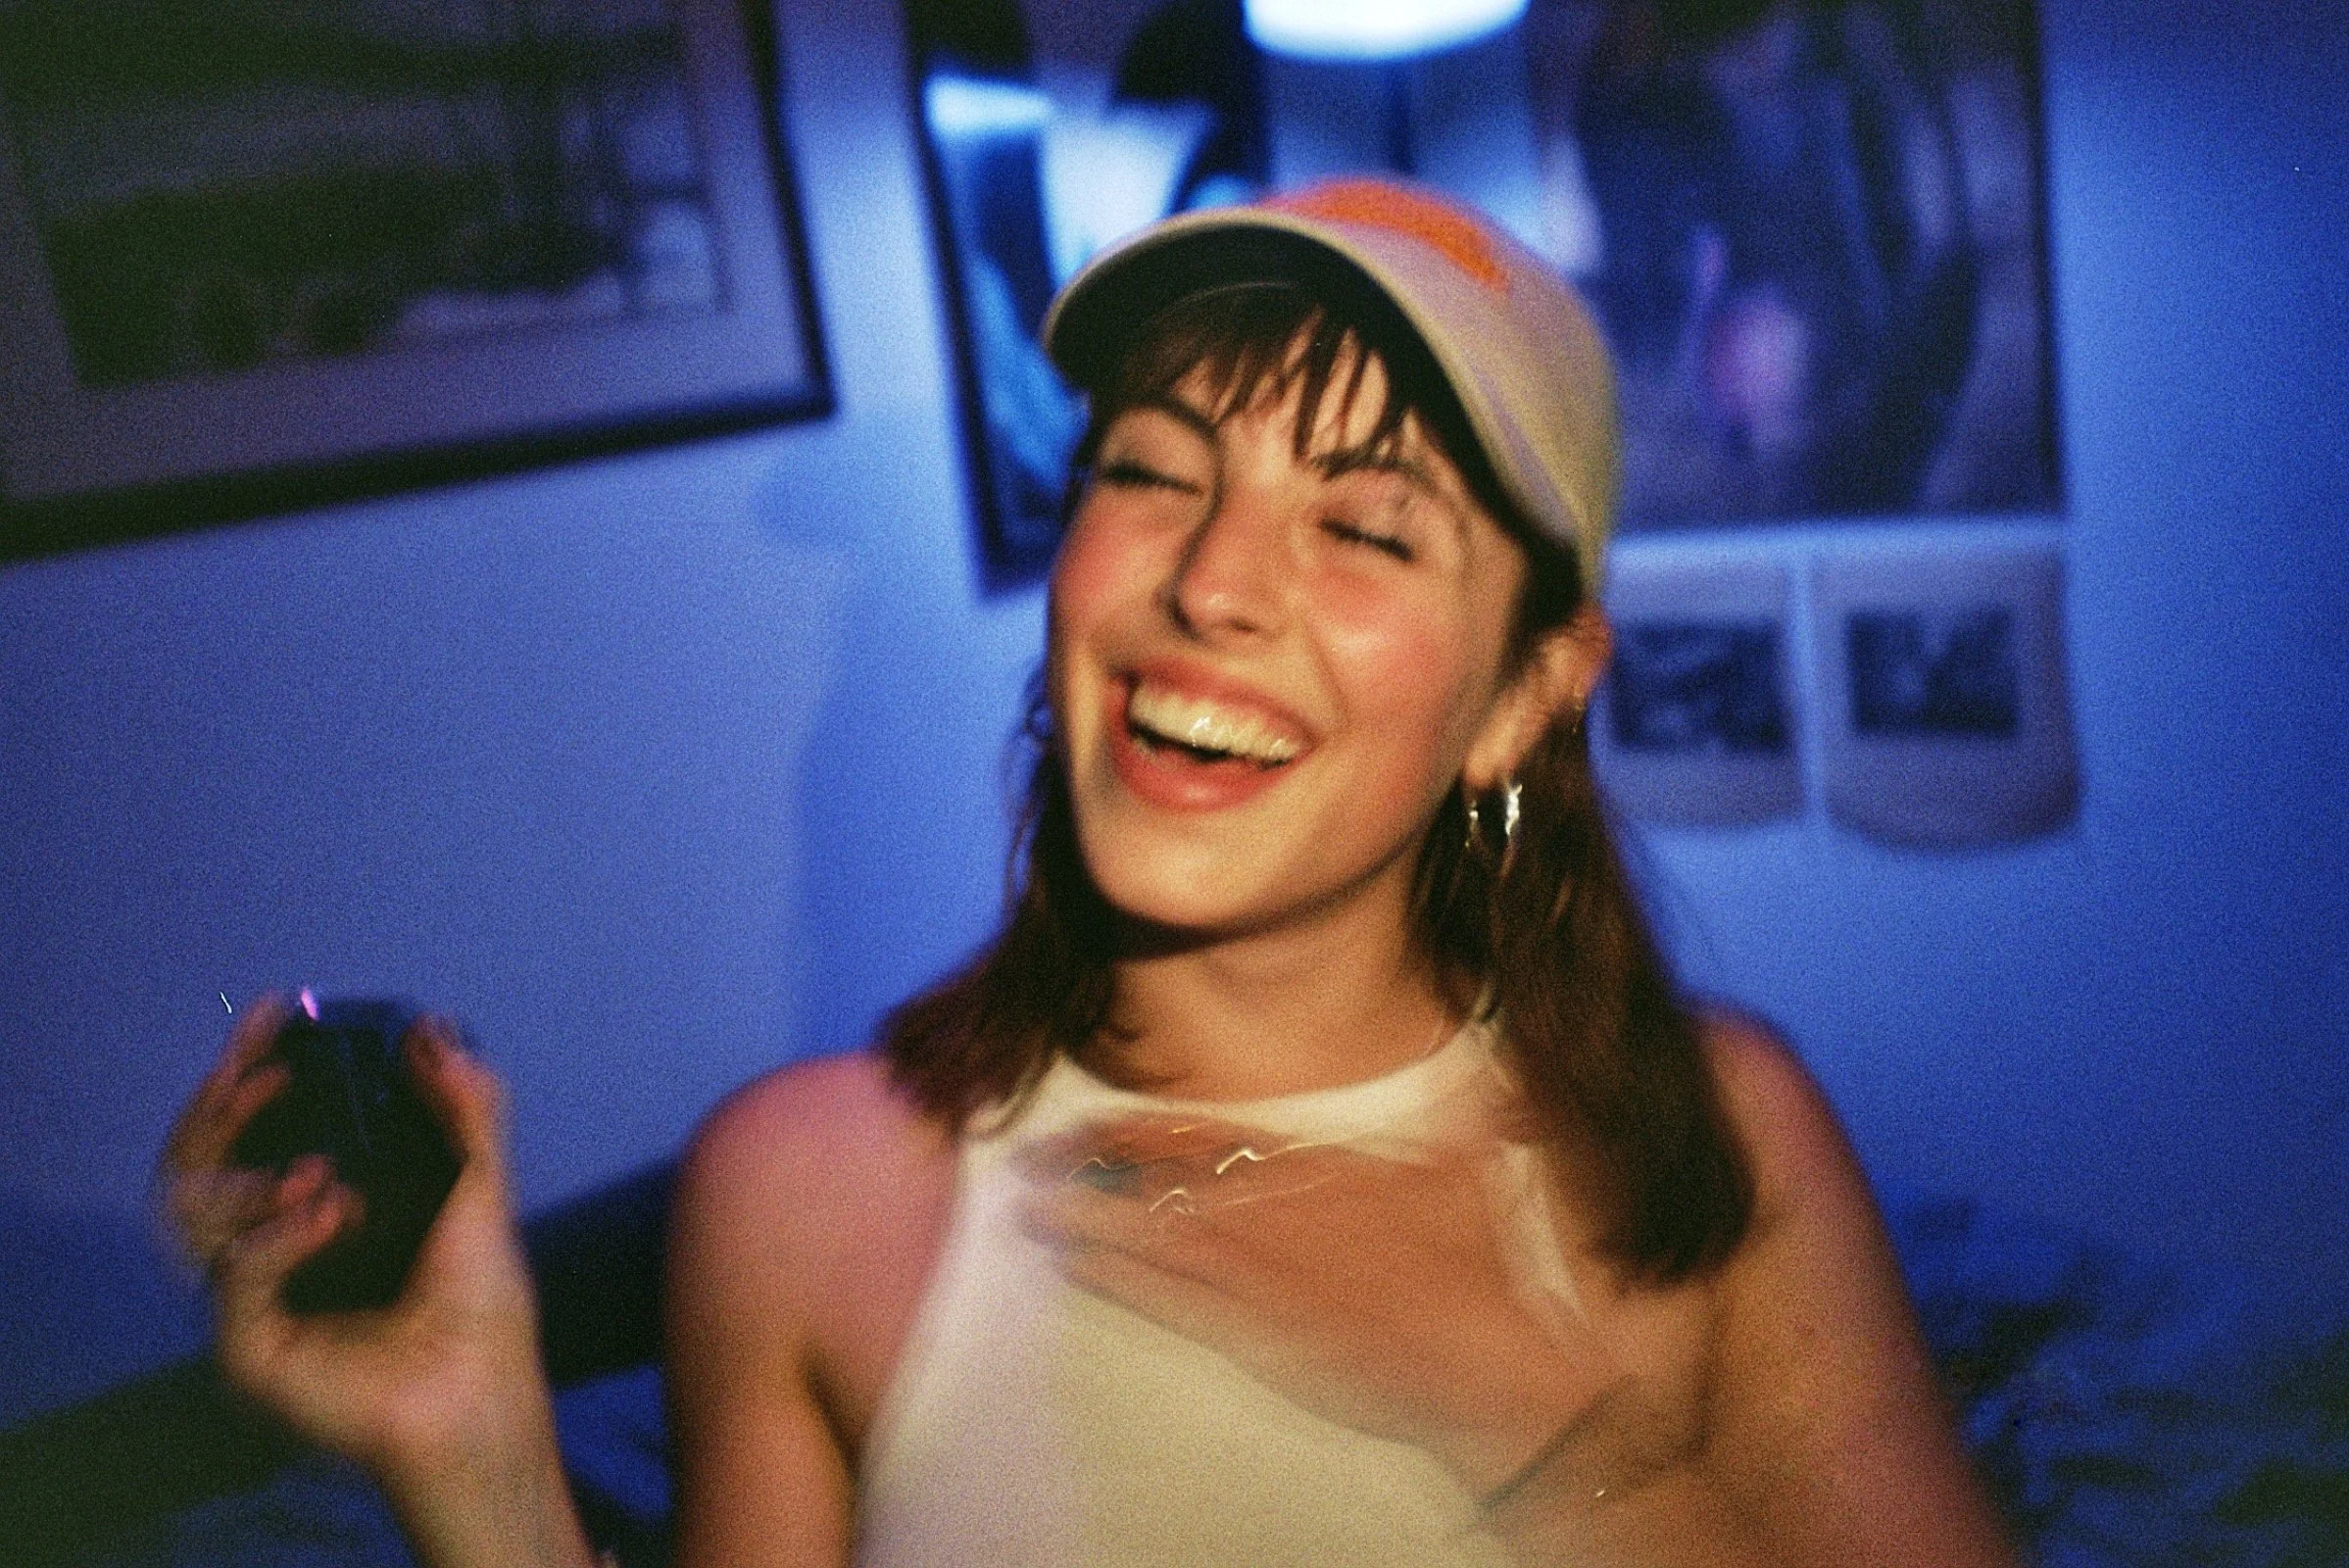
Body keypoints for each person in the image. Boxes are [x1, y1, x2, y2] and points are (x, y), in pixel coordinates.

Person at [162, 178, 2017, 1566]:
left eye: (1367, 523)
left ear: (1526, 693)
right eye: (1154, 468)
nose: (1213, 584)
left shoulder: (1724, 1138)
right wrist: (477, 1458)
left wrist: (1546, 1438)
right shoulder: (798, 1191)